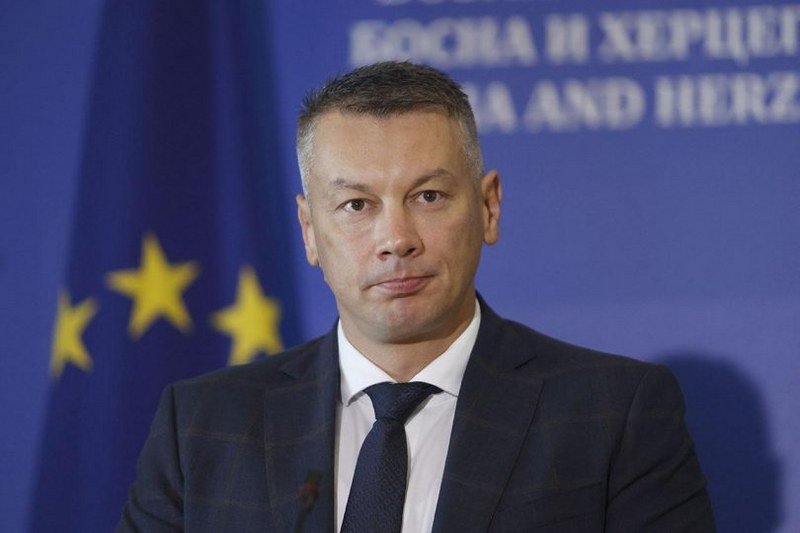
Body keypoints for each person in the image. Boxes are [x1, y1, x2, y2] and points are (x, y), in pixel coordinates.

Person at [118, 61, 715, 532]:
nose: (396, 239)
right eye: (357, 205)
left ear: (488, 207)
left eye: (428, 196)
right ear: (309, 231)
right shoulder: (202, 426)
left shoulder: (612, 415)